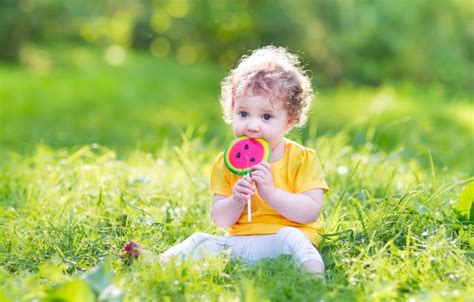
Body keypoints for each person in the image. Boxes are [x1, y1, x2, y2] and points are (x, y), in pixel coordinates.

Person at [160, 45, 329, 274]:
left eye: (266, 116)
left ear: (289, 121)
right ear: (231, 111)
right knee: (201, 240)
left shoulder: (302, 158)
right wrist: (235, 201)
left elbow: (311, 211)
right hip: (241, 244)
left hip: (285, 240)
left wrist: (271, 194)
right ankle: (158, 263)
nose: (252, 125)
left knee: (292, 237)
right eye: (243, 114)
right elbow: (220, 220)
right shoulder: (226, 162)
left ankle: (312, 277)